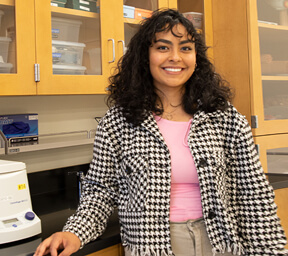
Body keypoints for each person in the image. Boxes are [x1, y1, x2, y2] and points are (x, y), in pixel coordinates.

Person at [34, 8, 288, 256]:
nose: (175, 57)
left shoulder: (224, 117)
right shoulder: (118, 122)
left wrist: (271, 251)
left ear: (196, 57)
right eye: (163, 47)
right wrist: (74, 233)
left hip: (220, 242)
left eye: (186, 48)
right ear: (145, 56)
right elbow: (101, 191)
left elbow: (253, 195)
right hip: (151, 245)